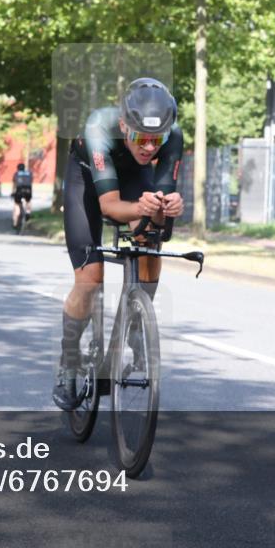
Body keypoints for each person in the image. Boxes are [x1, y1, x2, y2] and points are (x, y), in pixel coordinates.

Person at [53, 78, 184, 410]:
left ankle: (137, 321)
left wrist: (167, 207)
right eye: (140, 137)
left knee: (151, 241)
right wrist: (142, 208)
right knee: (90, 280)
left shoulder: (173, 137)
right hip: (87, 182)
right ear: (124, 125)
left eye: (158, 140)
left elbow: (159, 213)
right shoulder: (99, 127)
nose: (149, 148)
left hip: (131, 179)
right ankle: (69, 364)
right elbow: (109, 205)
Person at [11, 162, 33, 228]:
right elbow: (30, 182)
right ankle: (28, 212)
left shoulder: (16, 174)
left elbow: (14, 184)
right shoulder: (29, 173)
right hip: (28, 190)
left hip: (19, 190)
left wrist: (12, 192)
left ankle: (15, 223)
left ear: (17, 168)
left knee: (17, 204)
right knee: (28, 201)